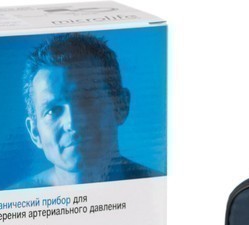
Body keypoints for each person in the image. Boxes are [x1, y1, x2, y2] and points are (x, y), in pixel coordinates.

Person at [11, 33, 159, 189]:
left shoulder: (163, 191)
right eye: (53, 111)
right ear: (35, 132)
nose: (72, 122)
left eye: (87, 100)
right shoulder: (16, 199)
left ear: (121, 106)